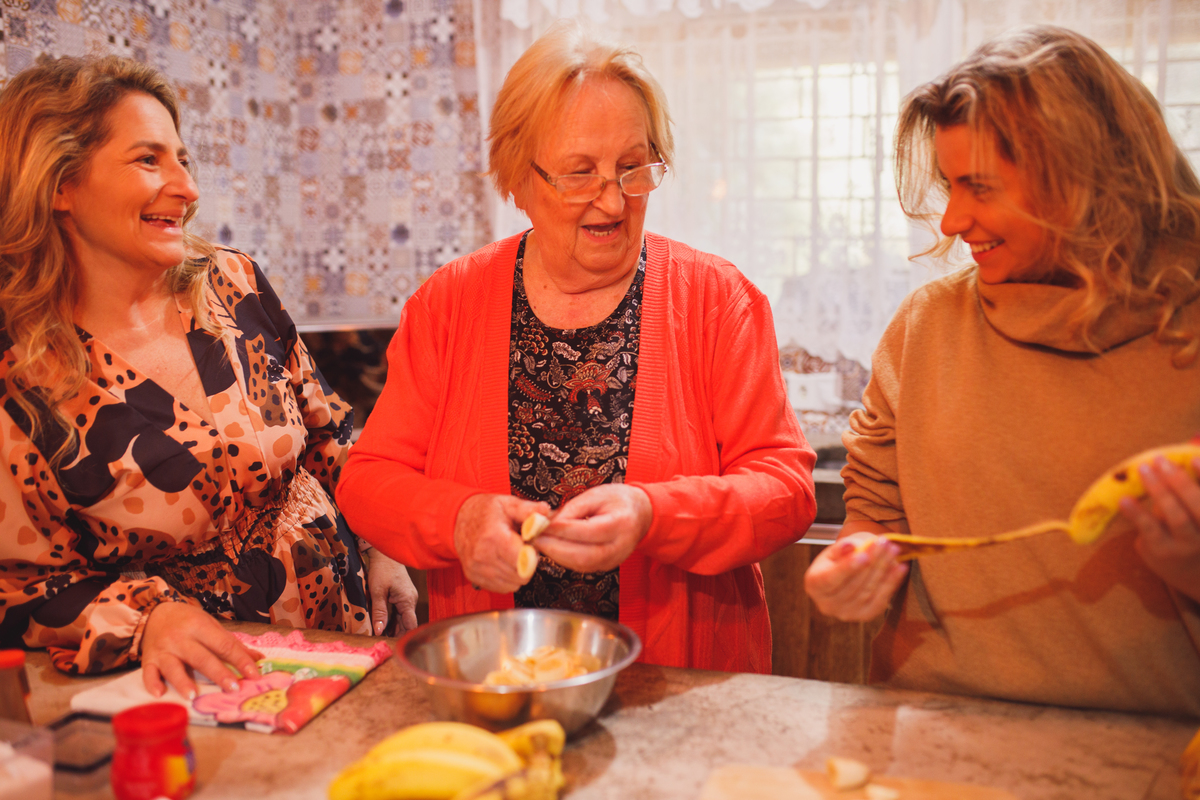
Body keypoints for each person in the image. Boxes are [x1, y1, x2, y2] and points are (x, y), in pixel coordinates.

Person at [337, 22, 817, 673]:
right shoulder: (448, 304)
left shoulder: (717, 300)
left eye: (633, 167)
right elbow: (369, 483)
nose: (614, 201)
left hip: (679, 688)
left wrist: (655, 514)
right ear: (518, 179)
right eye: (580, 174)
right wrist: (460, 520)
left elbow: (786, 491)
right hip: (496, 678)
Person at [804, 26, 1200, 717]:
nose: (953, 219)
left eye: (978, 187)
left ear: (1081, 179)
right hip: (930, 736)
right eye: (948, 185)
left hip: (1152, 756)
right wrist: (857, 560)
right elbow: (873, 504)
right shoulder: (926, 328)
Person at [0, 55, 418, 699]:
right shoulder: (19, 372)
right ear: (60, 184)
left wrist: (384, 543)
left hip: (340, 627)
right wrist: (147, 618)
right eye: (148, 160)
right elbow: (17, 588)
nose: (187, 188)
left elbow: (331, 431)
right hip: (192, 680)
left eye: (183, 159)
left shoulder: (233, 284)